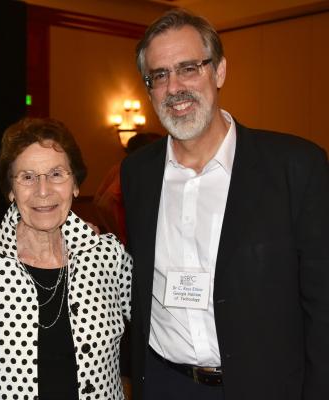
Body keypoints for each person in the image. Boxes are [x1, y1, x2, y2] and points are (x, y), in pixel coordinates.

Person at [120, 8, 329, 400]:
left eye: (189, 68)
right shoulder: (137, 173)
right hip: (166, 384)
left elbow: (323, 306)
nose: (175, 87)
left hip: (265, 386)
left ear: (219, 72)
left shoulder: (295, 166)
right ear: (148, 90)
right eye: (159, 75)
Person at [0, 117, 133, 399]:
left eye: (56, 174)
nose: (43, 191)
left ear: (76, 185)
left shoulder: (108, 257)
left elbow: (158, 327)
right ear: (10, 190)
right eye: (27, 177)